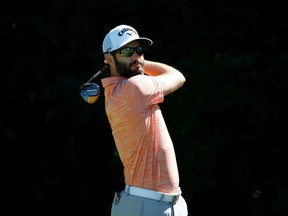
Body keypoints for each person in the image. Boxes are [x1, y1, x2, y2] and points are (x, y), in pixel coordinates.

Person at [101, 24, 188, 216]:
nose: (136, 56)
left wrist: (136, 61)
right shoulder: (134, 88)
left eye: (139, 50)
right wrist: (143, 63)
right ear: (108, 59)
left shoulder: (120, 90)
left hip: (159, 203)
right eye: (127, 51)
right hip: (146, 205)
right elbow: (177, 76)